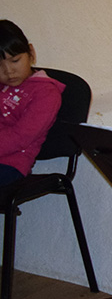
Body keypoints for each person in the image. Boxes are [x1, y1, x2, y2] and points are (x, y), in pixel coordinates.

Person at [0, 19, 64, 187]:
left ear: (31, 53)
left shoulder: (46, 93)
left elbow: (20, 137)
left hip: (11, 164)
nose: (8, 71)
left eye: (15, 60)